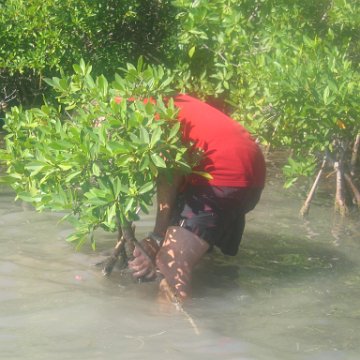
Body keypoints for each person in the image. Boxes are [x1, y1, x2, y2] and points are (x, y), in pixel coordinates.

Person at [128, 94, 266, 301]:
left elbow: (170, 172)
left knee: (171, 262)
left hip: (222, 173)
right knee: (194, 253)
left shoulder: (137, 113)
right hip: (251, 172)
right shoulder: (154, 97)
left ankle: (169, 327)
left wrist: (157, 237)